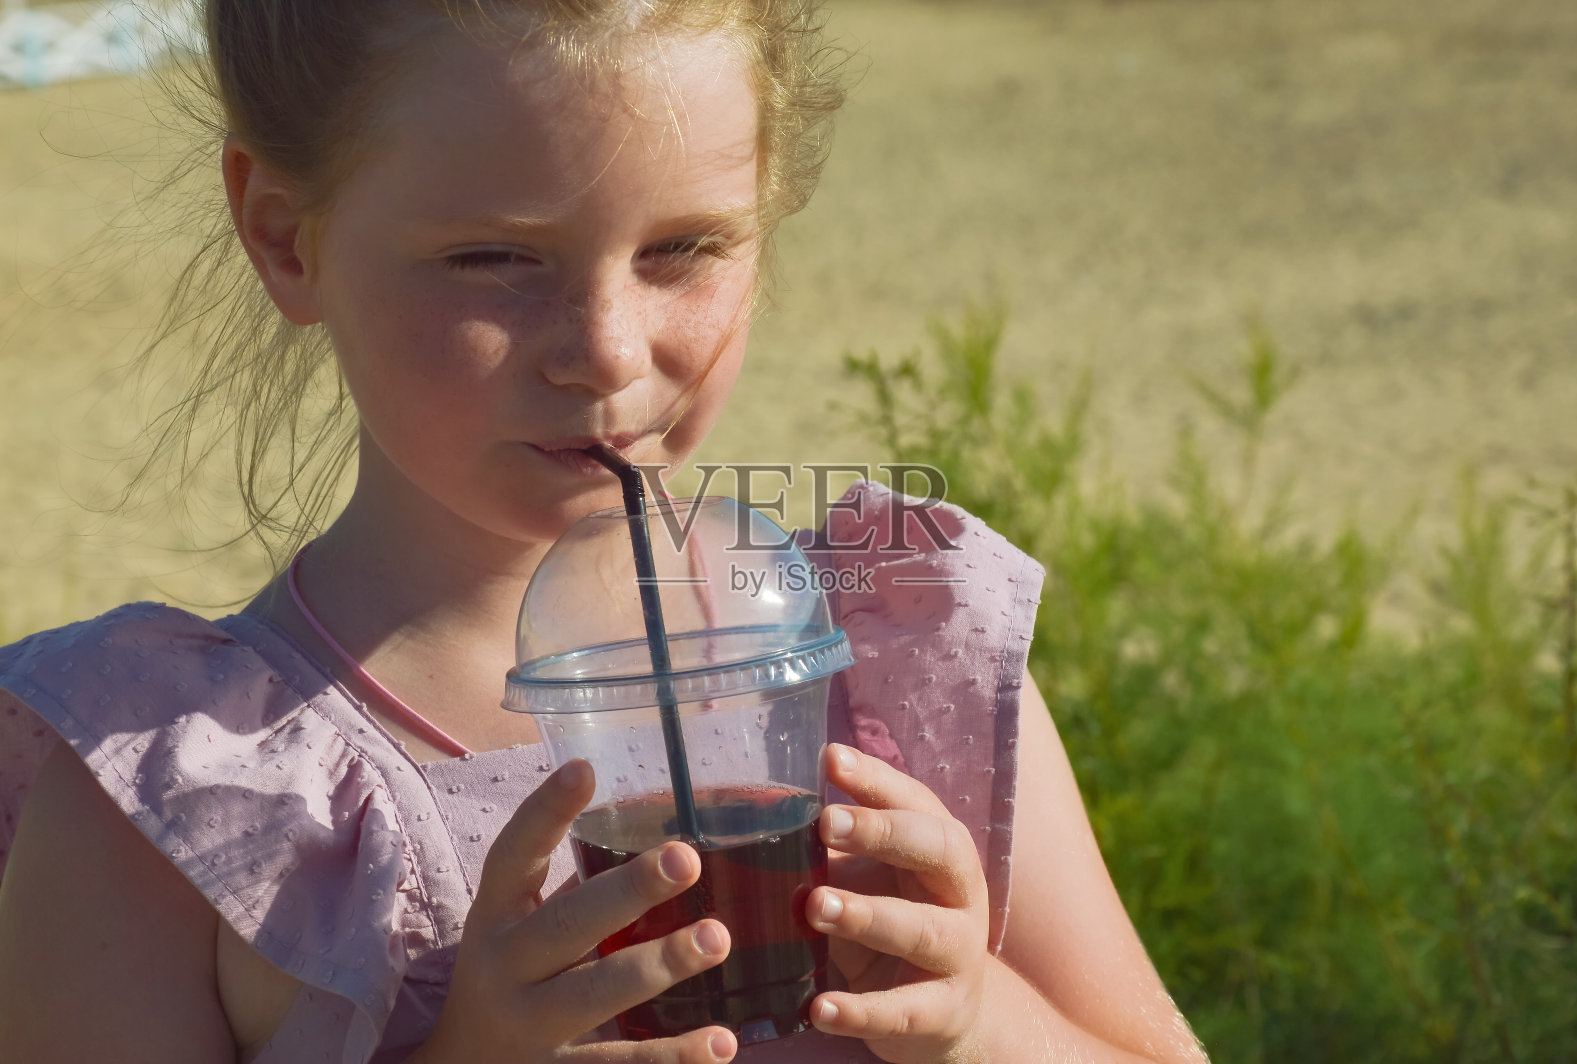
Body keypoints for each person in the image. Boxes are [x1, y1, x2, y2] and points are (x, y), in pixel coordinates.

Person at [0, 2, 1208, 1062]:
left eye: (684, 247)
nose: (608, 350)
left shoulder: (896, 662)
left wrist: (981, 1021)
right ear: (284, 235)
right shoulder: (169, 798)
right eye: (492, 259)